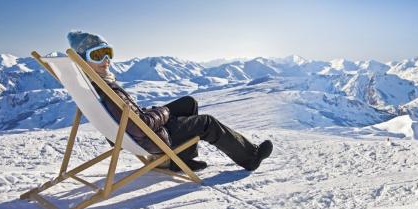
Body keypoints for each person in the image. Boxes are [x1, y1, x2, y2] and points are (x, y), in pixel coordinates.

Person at [66, 30, 273, 172]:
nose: (106, 61)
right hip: (151, 138)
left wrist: (152, 112)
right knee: (207, 122)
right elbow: (142, 125)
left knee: (188, 103)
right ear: (84, 60)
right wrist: (163, 112)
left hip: (137, 133)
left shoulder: (92, 85)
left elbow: (129, 118)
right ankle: (250, 158)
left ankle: (180, 160)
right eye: (97, 55)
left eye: (107, 53)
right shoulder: (106, 88)